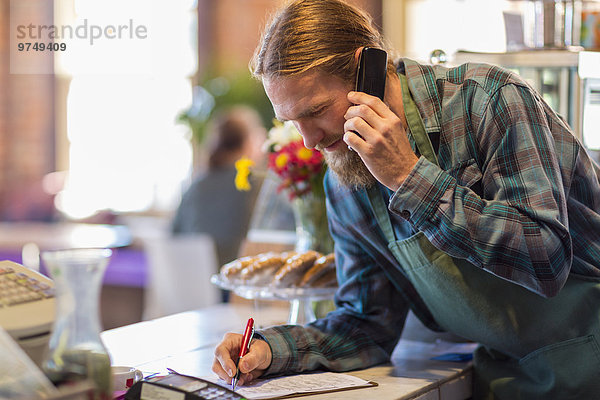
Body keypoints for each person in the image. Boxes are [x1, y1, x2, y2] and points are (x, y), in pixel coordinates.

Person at [212, 1, 600, 398]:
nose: (309, 141)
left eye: (316, 110)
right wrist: (271, 350)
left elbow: (546, 258)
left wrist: (407, 177)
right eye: (291, 122)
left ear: (369, 70)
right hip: (506, 375)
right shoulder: (345, 181)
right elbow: (368, 324)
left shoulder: (489, 100)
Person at [171, 106, 266, 278]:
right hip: (235, 284)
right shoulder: (253, 184)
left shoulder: (197, 185)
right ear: (248, 142)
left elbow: (174, 235)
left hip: (191, 283)